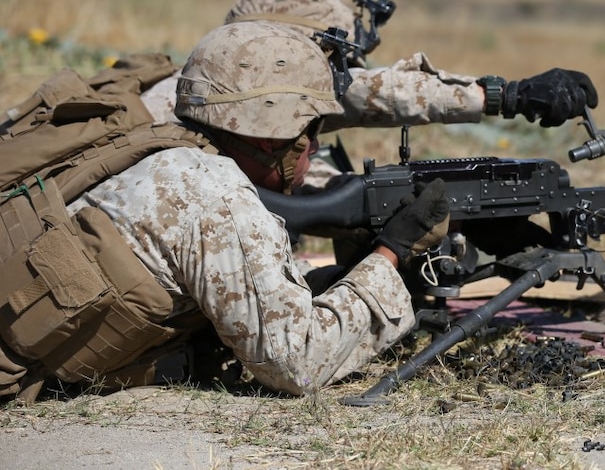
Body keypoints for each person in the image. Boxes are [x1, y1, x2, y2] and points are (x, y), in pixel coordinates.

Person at [1, 21, 452, 399]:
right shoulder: (216, 198)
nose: (316, 144)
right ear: (271, 134)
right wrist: (392, 252)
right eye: (310, 127)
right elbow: (298, 364)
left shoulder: (165, 144)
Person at [141, 0, 599, 135]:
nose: (341, 69)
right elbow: (371, 93)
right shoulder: (253, 92)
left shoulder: (201, 81)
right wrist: (506, 96)